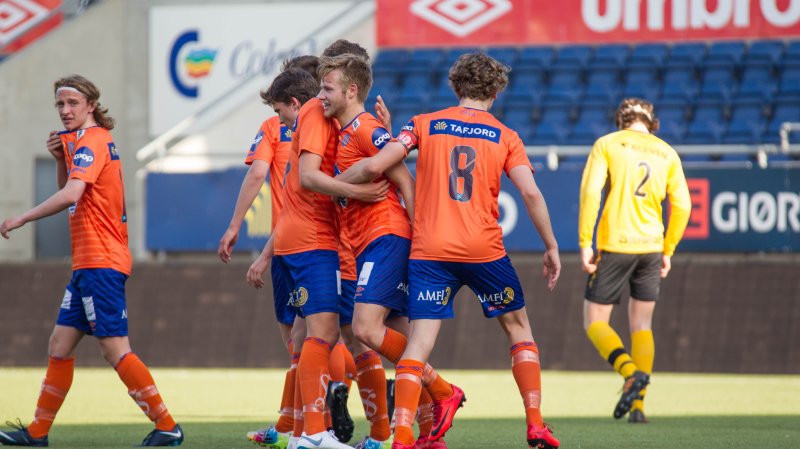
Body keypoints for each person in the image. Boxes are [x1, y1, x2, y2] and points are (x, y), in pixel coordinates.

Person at [337, 53, 561, 449]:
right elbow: (529, 192)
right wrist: (551, 245)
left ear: (455, 87)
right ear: (495, 91)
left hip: (429, 250)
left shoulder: (424, 124)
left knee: (419, 344)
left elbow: (375, 167)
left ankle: (403, 437)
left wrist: (328, 182)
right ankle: (535, 423)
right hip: (484, 250)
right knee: (518, 329)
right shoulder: (507, 136)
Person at [0, 75, 183, 447]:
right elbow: (70, 191)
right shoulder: (81, 143)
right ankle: (37, 433)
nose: (66, 111)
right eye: (60, 105)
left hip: (102, 261)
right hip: (87, 263)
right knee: (59, 345)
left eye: (73, 103)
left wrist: (20, 217)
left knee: (114, 349)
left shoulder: (94, 140)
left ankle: (167, 426)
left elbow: (71, 195)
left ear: (91, 105)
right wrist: (58, 159)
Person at [319, 53, 455, 449]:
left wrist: (420, 239)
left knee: (363, 329)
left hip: (388, 237)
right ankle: (430, 436)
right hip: (369, 244)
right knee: (403, 343)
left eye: (328, 88)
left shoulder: (365, 128)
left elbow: (405, 181)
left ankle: (445, 391)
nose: (321, 96)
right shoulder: (345, 131)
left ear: (351, 90)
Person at [247, 64, 387, 449]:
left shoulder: (335, 120)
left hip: (308, 238)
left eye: (329, 89)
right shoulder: (314, 113)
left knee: (313, 334)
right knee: (332, 335)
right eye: (322, 88)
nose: (324, 97)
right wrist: (359, 192)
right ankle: (319, 430)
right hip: (315, 241)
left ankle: (303, 431)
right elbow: (309, 177)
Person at [578, 98, 691, 423]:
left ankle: (629, 373)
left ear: (621, 120)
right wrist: (668, 249)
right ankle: (639, 407)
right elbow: (682, 206)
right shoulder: (667, 152)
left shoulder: (608, 144)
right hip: (652, 246)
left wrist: (586, 242)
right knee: (642, 325)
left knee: (595, 322)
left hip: (616, 243)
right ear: (651, 123)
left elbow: (590, 193)